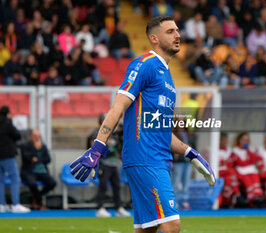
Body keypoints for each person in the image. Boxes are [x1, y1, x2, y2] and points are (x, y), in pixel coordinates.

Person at [70, 16, 215, 233]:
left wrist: (191, 153)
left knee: (148, 229)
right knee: (172, 225)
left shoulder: (168, 77)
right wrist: (97, 147)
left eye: (177, 30)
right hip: (144, 158)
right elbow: (117, 107)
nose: (177, 35)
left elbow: (163, 131)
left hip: (159, 160)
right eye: (170, 31)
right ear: (154, 38)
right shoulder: (144, 64)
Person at [87, 114, 130, 218]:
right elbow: (94, 147)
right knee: (103, 186)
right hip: (103, 163)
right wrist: (105, 146)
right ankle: (100, 208)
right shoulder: (97, 133)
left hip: (114, 163)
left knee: (117, 186)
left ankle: (119, 207)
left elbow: (119, 146)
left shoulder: (114, 134)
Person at [0, 106, 30, 213]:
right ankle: (15, 204)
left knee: (0, 181)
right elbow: (17, 135)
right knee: (15, 179)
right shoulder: (8, 124)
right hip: (7, 155)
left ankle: (1, 205)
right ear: (8, 113)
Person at [20, 129, 57, 210]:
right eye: (35, 136)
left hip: (42, 171)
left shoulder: (43, 146)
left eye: (39, 136)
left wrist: (38, 160)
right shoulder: (25, 145)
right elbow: (27, 157)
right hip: (29, 171)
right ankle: (40, 202)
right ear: (30, 137)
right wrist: (35, 148)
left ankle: (37, 197)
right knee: (32, 184)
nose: (37, 138)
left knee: (52, 183)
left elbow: (48, 159)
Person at [228, 132, 263, 207]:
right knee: (247, 180)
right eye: (243, 140)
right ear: (239, 140)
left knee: (255, 179)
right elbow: (234, 163)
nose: (245, 142)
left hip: (251, 169)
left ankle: (258, 195)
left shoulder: (250, 150)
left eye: (247, 140)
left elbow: (254, 160)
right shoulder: (235, 151)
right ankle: (252, 198)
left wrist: (248, 151)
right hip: (241, 171)